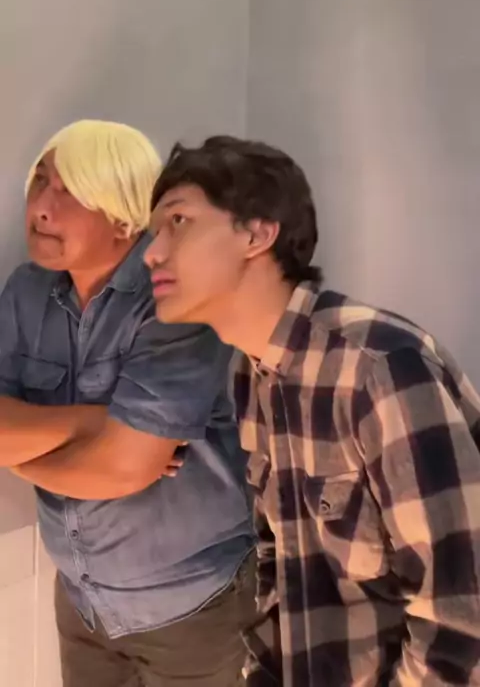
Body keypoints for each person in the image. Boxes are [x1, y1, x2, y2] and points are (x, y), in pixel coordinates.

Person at [145, 134, 480, 687]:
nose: (152, 252)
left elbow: (460, 620)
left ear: (257, 234)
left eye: (178, 222)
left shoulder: (379, 366)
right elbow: (281, 562)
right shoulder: (250, 371)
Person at [1, 121, 255, 687]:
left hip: (191, 604)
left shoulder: (178, 297)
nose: (40, 207)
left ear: (123, 217)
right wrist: (93, 421)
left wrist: (21, 456)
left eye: (68, 192)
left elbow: (125, 470)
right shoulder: (25, 291)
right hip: (83, 602)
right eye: (40, 182)